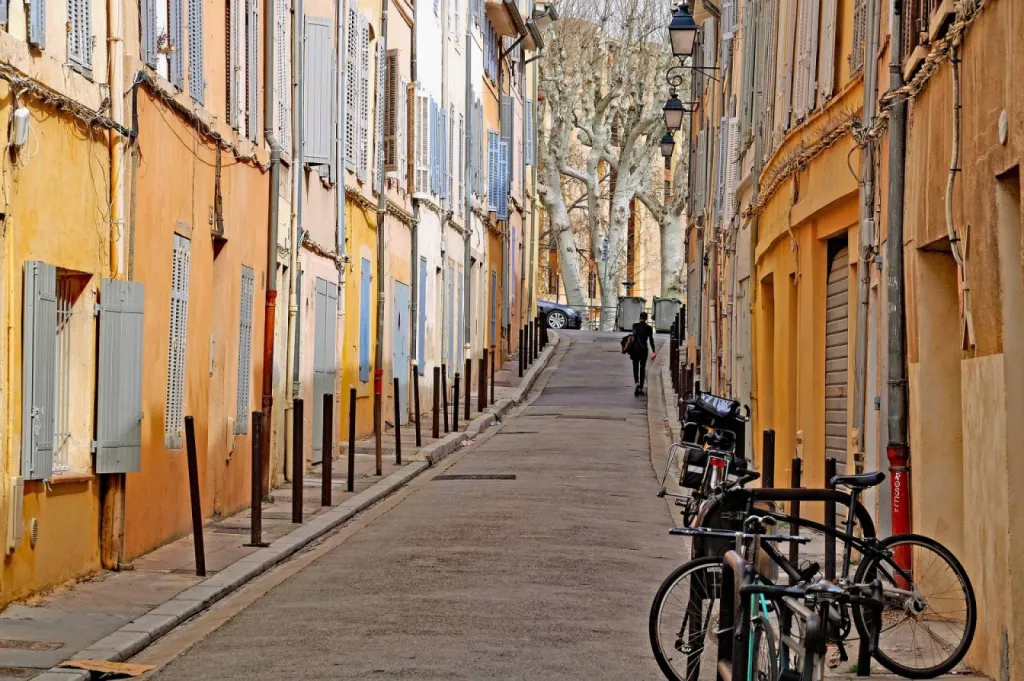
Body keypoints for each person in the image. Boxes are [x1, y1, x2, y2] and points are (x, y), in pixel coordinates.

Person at [630, 312, 657, 396]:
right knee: (642, 368)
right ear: (646, 318)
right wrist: (654, 351)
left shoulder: (634, 326)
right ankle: (641, 387)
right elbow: (651, 340)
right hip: (644, 350)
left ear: (640, 317)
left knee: (635, 366)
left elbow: (634, 335)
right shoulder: (649, 328)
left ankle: (636, 383)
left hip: (635, 349)